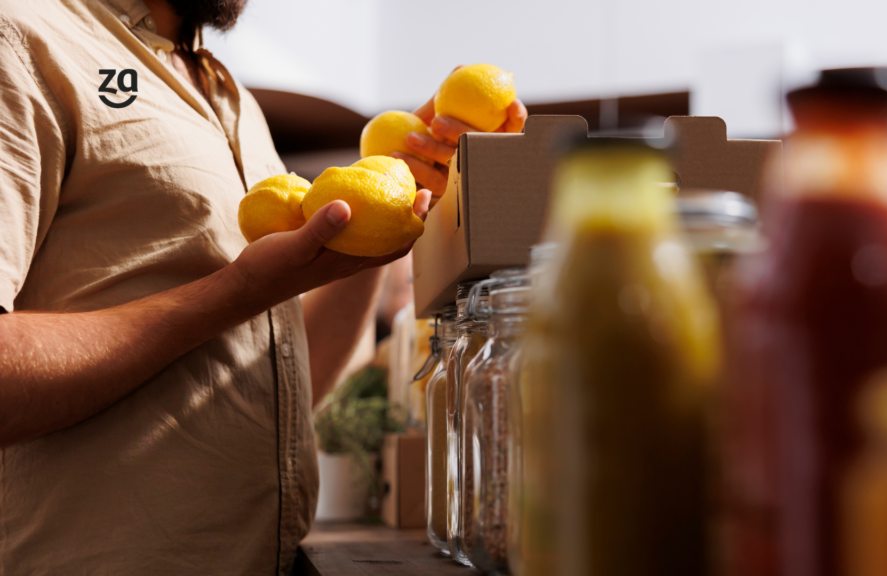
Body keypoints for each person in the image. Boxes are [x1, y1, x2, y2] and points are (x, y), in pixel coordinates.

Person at [0, 0, 528, 573]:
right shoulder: (24, 40)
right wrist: (238, 291)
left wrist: (372, 219)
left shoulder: (233, 100)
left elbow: (286, 384)